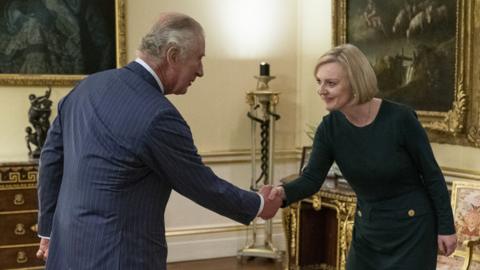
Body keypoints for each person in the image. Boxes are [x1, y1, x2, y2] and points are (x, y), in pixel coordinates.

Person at [36, 12, 281, 269]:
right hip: (122, 257)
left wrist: (48, 231)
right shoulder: (158, 115)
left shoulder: (86, 88)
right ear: (173, 55)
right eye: (198, 58)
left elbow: (51, 159)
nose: (201, 71)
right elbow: (199, 183)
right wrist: (259, 205)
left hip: (67, 251)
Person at [267, 44, 457, 269]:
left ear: (356, 82)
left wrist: (446, 227)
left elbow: (432, 175)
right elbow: (311, 179)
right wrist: (282, 193)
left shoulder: (400, 119)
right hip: (368, 231)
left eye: (331, 83)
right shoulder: (329, 129)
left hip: (412, 229)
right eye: (319, 82)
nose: (321, 90)